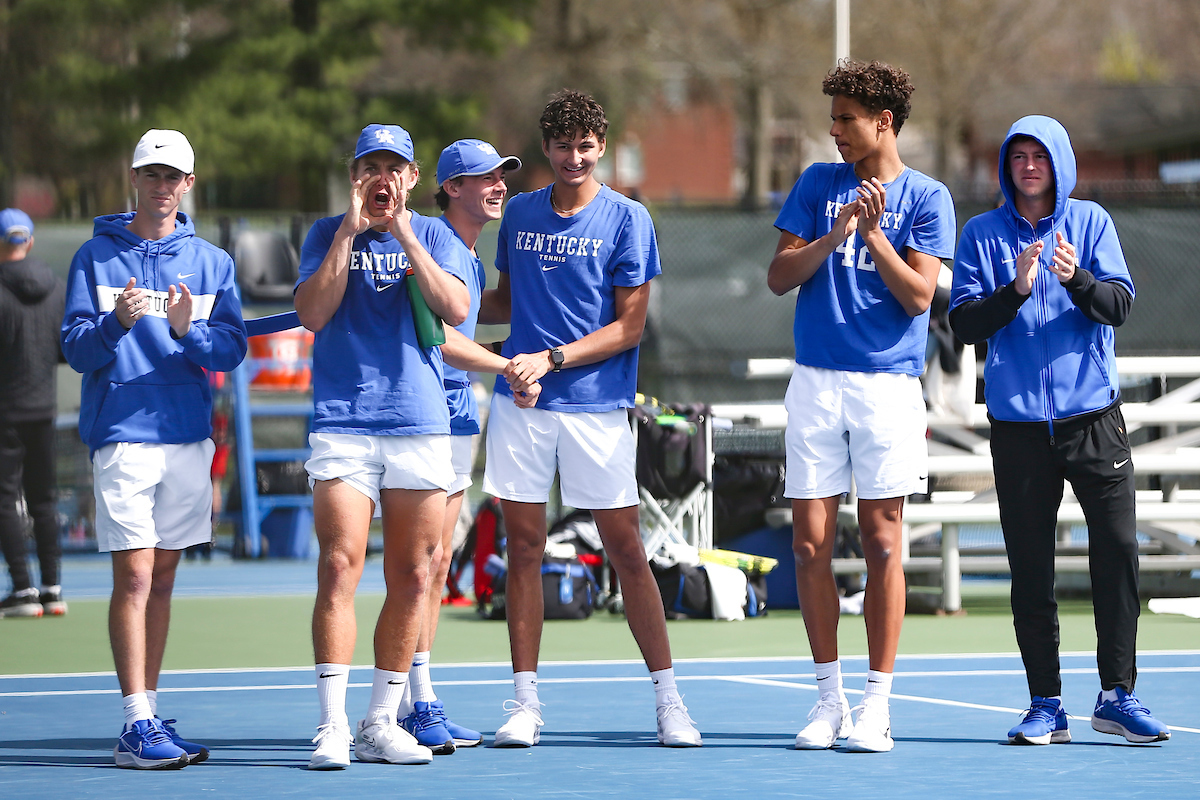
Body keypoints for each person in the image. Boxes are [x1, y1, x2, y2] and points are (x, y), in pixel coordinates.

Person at [481, 90, 702, 749]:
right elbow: (503, 301)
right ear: (545, 149)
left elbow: (630, 327)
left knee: (627, 552)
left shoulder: (629, 219)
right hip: (519, 407)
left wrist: (549, 359)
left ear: (600, 146)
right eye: (561, 145)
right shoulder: (518, 213)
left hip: (596, 408)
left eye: (585, 145)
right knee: (522, 550)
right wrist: (436, 292)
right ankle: (524, 706)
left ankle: (670, 702)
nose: (573, 156)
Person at [950, 115, 1170, 745]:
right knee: (1030, 568)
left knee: (1118, 552)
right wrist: (1015, 290)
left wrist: (1076, 279)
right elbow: (963, 324)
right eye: (1017, 156)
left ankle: (1117, 695)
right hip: (1019, 430)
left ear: (1060, 163)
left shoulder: (1093, 223)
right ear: (1005, 167)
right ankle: (1046, 703)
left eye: (1039, 156)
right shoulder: (982, 234)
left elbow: (1118, 307)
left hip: (1095, 421)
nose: (1028, 166)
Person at [766, 60, 956, 753]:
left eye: (847, 119)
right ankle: (829, 703)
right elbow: (779, 276)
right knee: (810, 544)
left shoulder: (929, 197)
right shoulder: (818, 184)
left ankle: (877, 705)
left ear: (884, 122)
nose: (835, 130)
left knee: (881, 541)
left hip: (888, 388)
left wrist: (874, 235)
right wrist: (835, 233)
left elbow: (919, 297)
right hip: (815, 383)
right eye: (834, 118)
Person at [61, 129, 247, 768]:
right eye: (151, 174)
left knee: (163, 577)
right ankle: (135, 721)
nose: (162, 186)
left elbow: (230, 350)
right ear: (133, 179)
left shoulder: (214, 261)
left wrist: (186, 330)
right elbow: (78, 350)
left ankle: (148, 712)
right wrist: (115, 323)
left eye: (173, 177)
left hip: (187, 435)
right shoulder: (93, 256)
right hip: (122, 435)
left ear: (188, 184)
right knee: (135, 573)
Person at [295, 124, 471, 770]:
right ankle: (332, 725)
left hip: (419, 420)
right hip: (344, 419)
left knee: (416, 573)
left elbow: (453, 307)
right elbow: (313, 313)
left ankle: (379, 719)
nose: (383, 178)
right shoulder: (324, 233)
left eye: (395, 168)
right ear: (355, 172)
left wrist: (401, 232)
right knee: (340, 565)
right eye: (373, 166)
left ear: (413, 177)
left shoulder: (434, 234)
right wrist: (349, 231)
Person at [396, 138, 540, 754]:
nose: (499, 185)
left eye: (503, 175)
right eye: (484, 177)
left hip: (457, 410)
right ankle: (408, 703)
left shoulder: (471, 255)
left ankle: (419, 700)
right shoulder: (431, 238)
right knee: (420, 564)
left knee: (437, 565)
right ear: (451, 187)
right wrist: (506, 366)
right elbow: (438, 339)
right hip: (423, 411)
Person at [0, 209, 66, 619]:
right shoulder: (57, 287)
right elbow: (64, 350)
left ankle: (23, 588)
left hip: (5, 410)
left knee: (5, 499)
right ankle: (53, 588)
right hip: (44, 407)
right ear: (31, 242)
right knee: (44, 498)